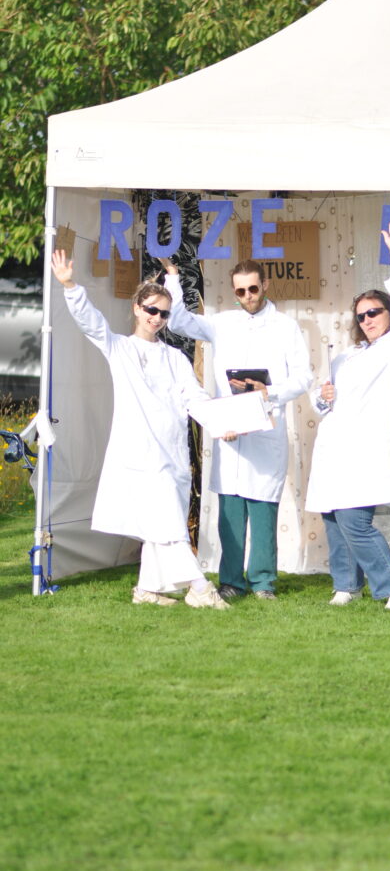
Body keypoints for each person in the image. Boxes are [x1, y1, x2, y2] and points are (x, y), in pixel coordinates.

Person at [51, 250, 229, 609]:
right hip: (139, 455)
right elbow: (91, 323)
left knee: (160, 524)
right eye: (151, 310)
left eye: (164, 314)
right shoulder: (119, 348)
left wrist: (222, 423)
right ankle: (200, 588)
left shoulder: (175, 358)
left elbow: (195, 398)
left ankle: (147, 589)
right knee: (168, 525)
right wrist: (70, 285)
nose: (157, 318)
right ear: (137, 309)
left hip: (172, 453)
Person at [163, 258, 312, 600]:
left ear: (266, 285)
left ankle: (263, 582)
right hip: (230, 431)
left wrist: (270, 391)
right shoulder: (222, 323)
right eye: (240, 291)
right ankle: (231, 581)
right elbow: (180, 321)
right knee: (229, 511)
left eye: (253, 289)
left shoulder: (285, 327)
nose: (248, 296)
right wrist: (173, 278)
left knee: (262, 510)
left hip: (264, 430)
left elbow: (304, 377)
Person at [305, 220, 390, 611]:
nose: (368, 319)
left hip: (365, 453)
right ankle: (346, 585)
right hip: (333, 450)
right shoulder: (346, 356)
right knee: (335, 522)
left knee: (355, 523)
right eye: (361, 316)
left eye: (374, 312)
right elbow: (321, 402)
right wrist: (323, 397)